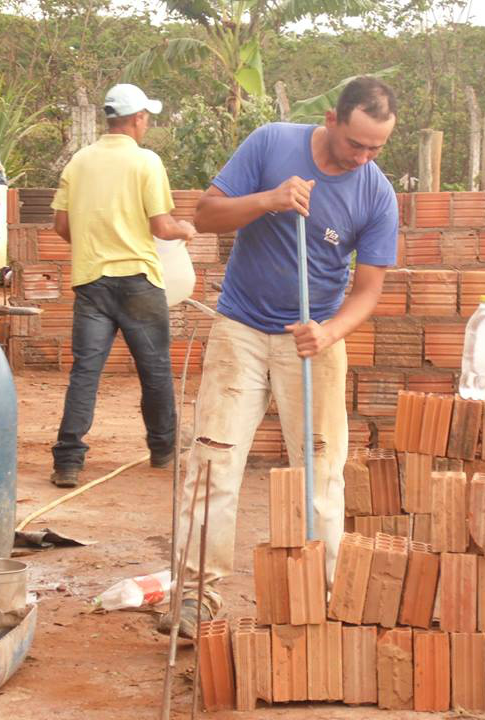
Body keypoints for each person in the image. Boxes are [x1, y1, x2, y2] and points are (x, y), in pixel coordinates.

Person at [159, 76, 399, 637]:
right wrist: (268, 200)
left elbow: (368, 289)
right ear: (332, 120)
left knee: (321, 468)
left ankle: (324, 595)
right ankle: (196, 597)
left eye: (376, 149)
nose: (362, 157)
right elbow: (206, 214)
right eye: (354, 144)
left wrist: (331, 331)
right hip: (240, 329)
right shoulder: (270, 143)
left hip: (311, 340)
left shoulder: (377, 193)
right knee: (214, 460)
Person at [49, 83, 196, 488]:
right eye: (147, 117)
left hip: (92, 283)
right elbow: (162, 226)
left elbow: (61, 226)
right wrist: (184, 228)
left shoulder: (78, 163)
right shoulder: (146, 162)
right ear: (137, 119)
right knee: (155, 370)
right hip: (139, 283)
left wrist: (97, 248)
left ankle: (68, 461)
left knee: (85, 372)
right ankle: (163, 449)